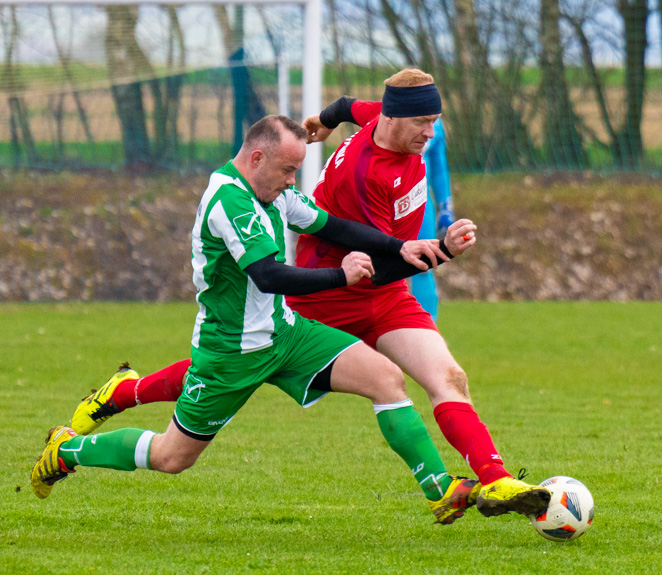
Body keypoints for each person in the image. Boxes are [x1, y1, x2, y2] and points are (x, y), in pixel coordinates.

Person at [30, 115, 481, 525]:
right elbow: (268, 276)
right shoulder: (230, 202)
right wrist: (339, 276)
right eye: (287, 171)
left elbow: (331, 226)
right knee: (172, 457)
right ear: (257, 157)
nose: (292, 182)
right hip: (232, 351)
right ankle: (66, 449)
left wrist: (397, 247)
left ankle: (440, 491)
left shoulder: (276, 191)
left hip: (287, 334)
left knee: (385, 377)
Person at [291, 68, 550, 518]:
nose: (431, 134)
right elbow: (376, 267)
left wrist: (324, 120)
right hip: (328, 298)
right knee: (228, 370)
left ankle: (497, 480)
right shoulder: (364, 174)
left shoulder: (380, 117)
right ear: (392, 119)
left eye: (435, 120)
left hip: (386, 296)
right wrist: (444, 252)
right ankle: (130, 390)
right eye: (422, 124)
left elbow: (346, 105)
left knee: (449, 378)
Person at [410, 118, 454, 321]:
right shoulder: (390, 119)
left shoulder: (436, 125)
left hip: (421, 205)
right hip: (388, 201)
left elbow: (438, 167)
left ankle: (428, 328)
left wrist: (445, 207)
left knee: (423, 264)